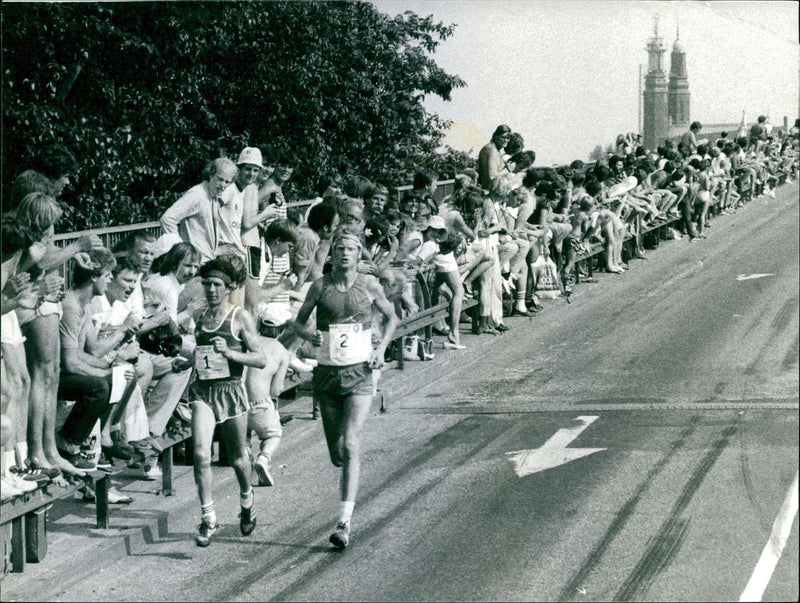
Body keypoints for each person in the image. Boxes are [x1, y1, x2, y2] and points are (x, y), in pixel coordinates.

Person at [292, 229, 398, 549]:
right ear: (333, 254)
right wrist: (308, 336)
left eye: (351, 249)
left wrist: (381, 351)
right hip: (327, 377)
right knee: (338, 454)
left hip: (361, 375)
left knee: (351, 444)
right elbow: (297, 322)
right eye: (340, 248)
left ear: (359, 254)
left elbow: (392, 318)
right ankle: (345, 481)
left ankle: (344, 523)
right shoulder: (320, 287)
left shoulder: (368, 286)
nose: (345, 254)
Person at [171, 255, 265, 547]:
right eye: (206, 284)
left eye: (216, 285)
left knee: (238, 459)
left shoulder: (239, 317)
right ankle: (208, 518)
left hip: (232, 391)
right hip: (203, 392)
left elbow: (260, 358)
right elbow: (202, 357)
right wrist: (184, 364)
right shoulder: (199, 318)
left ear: (228, 288)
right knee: (200, 454)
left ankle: (247, 500)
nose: (210, 290)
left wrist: (231, 353)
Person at [160, 158, 238, 264]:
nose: (223, 185)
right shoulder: (197, 194)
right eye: (220, 179)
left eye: (227, 182)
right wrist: (182, 252)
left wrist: (214, 251)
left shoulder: (214, 196)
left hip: (205, 262)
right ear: (211, 174)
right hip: (193, 264)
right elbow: (167, 219)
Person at [246, 304, 291, 487]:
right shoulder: (281, 351)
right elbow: (276, 391)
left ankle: (246, 462)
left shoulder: (248, 341)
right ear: (281, 329)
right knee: (273, 434)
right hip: (259, 404)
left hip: (236, 402)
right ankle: (263, 459)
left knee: (243, 438)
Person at [478, 125, 512, 190]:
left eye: (508, 138)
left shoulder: (495, 149)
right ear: (496, 136)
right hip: (485, 190)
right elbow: (492, 176)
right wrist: (507, 170)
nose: (506, 140)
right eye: (503, 137)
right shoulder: (491, 149)